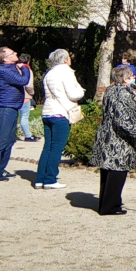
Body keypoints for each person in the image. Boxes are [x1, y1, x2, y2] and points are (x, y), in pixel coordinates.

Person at [90, 64, 136, 215]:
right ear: (125, 79)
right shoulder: (123, 94)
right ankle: (110, 206)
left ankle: (106, 203)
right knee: (117, 172)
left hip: (107, 135)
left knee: (108, 171)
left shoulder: (110, 91)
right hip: (118, 139)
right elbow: (123, 120)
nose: (133, 78)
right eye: (131, 76)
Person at [36, 48, 86, 190]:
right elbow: (73, 94)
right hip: (61, 112)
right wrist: (81, 91)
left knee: (48, 147)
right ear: (65, 59)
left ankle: (40, 178)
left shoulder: (49, 73)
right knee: (57, 148)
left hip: (47, 112)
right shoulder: (66, 72)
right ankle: (51, 179)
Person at [0, 47, 32, 182]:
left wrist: (21, 67)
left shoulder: (12, 67)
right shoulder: (4, 70)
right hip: (5, 108)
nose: (16, 53)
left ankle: (0, 169)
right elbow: (23, 81)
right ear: (5, 58)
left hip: (12, 108)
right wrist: (25, 68)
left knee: (10, 140)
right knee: (1, 140)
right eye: (12, 53)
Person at [16, 53, 38, 142]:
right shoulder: (27, 70)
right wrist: (32, 93)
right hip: (25, 96)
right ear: (28, 61)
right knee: (24, 116)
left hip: (14, 97)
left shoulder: (13, 69)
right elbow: (28, 85)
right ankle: (28, 136)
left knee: (14, 117)